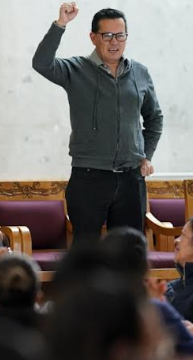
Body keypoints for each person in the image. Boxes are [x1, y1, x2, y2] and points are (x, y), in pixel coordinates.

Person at [32, 4, 163, 243]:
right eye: (107, 35)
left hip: (131, 179)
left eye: (120, 35)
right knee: (86, 254)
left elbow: (154, 118)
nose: (115, 42)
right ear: (93, 37)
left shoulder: (139, 72)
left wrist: (147, 155)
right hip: (88, 178)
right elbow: (41, 63)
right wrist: (60, 24)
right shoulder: (75, 69)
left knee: (129, 252)